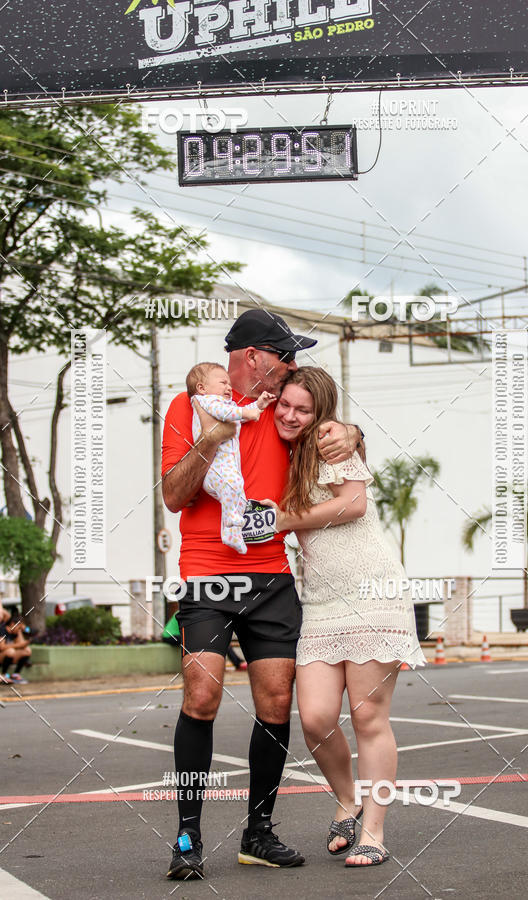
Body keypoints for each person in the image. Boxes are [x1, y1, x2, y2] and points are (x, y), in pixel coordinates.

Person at [161, 308, 362, 880]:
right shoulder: (189, 406)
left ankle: (258, 833)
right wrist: (212, 437)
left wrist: (353, 433)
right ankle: (187, 836)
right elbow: (174, 496)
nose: (293, 366)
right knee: (202, 697)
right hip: (207, 576)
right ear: (253, 357)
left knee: (275, 704)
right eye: (285, 356)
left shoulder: (280, 409)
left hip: (271, 578)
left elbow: (331, 433)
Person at [264, 367, 426, 868]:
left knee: (368, 717)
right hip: (320, 602)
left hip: (373, 592)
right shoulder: (279, 450)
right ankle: (347, 799)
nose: (290, 415)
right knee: (315, 718)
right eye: (285, 405)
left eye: (303, 409)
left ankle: (373, 833)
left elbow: (353, 503)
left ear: (322, 414)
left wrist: (285, 519)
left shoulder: (331, 441)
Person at [187, 361, 275, 554]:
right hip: (216, 468)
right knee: (233, 486)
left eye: (229, 383)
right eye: (223, 383)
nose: (228, 387)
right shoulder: (205, 402)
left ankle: (232, 532)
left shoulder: (225, 406)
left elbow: (237, 415)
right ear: (201, 388)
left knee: (239, 498)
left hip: (226, 468)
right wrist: (248, 412)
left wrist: (259, 405)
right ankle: (230, 529)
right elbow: (228, 413)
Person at [0, 609, 32, 685]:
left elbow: (21, 643)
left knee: (27, 650)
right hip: (2, 655)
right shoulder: (2, 630)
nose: (19, 629)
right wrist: (18, 645)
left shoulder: (15, 633)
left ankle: (16, 674)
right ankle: (4, 675)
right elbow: (1, 647)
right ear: (12, 624)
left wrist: (21, 633)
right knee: (10, 651)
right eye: (19, 627)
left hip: (10, 656)